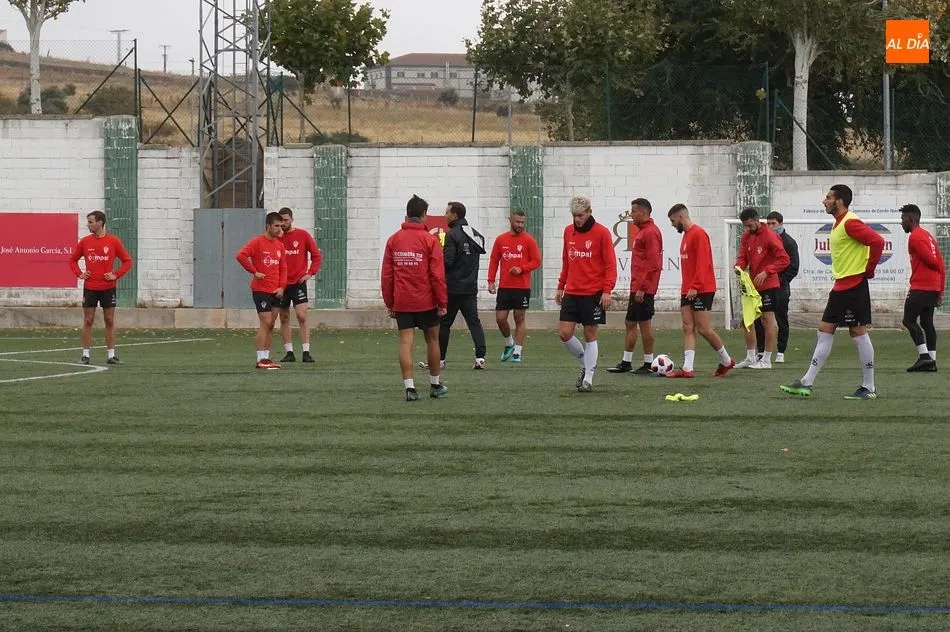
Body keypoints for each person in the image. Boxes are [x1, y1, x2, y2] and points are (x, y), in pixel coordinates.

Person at [781, 184, 885, 399]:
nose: (824, 201)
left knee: (858, 332)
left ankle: (869, 387)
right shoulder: (839, 223)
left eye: (828, 197)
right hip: (840, 287)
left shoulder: (850, 223)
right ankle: (806, 382)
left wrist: (869, 269)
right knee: (824, 330)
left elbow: (878, 241)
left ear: (839, 201)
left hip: (854, 286)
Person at [382, 194, 449, 401]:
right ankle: (435, 385)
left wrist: (390, 302)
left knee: (405, 343)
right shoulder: (430, 240)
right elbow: (437, 275)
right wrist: (442, 302)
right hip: (426, 300)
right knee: (433, 340)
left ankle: (410, 389)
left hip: (403, 300)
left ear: (407, 213)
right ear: (423, 215)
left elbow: (387, 275)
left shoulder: (393, 239)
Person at [555, 195, 617, 392]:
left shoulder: (602, 233)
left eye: (580, 215)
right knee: (564, 333)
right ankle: (585, 363)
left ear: (589, 212)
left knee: (590, 334)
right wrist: (561, 286)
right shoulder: (568, 231)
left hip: (593, 293)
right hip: (572, 291)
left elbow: (610, 264)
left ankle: (588, 378)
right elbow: (567, 260)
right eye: (574, 215)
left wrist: (607, 290)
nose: (577, 219)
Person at [667, 204, 735, 378]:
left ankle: (726, 360)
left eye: (673, 221)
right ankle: (687, 368)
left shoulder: (699, 234)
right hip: (687, 289)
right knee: (687, 326)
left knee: (703, 328)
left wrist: (695, 286)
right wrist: (688, 287)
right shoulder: (686, 236)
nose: (672, 225)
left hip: (701, 288)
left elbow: (703, 263)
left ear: (681, 217)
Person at [69, 211, 133, 365]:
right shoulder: (85, 242)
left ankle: (111, 355)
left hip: (108, 288)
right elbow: (72, 260)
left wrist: (115, 275)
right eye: (88, 222)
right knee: (88, 320)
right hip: (90, 288)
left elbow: (127, 261)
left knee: (109, 320)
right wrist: (80, 274)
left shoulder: (113, 241)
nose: (88, 225)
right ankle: (85, 356)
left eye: (90, 222)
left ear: (100, 223)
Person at [607, 198, 663, 375]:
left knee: (644, 324)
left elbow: (654, 263)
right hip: (636, 286)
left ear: (643, 212)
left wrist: (643, 288)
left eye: (633, 211)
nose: (631, 214)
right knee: (630, 322)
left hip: (643, 289)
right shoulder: (643, 231)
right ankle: (626, 362)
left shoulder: (650, 232)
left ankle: (649, 363)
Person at [734, 207, 790, 369]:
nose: (748, 228)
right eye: (746, 226)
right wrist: (739, 266)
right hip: (752, 286)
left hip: (768, 284)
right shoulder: (747, 236)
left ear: (757, 220)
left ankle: (766, 360)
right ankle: (750, 357)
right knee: (747, 320)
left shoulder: (770, 236)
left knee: (767, 321)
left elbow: (784, 259)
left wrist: (767, 271)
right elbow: (743, 256)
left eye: (750, 225)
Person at [438, 201, 488, 369]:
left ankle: (440, 360)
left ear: (455, 215)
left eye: (447, 213)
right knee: (474, 323)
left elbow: (448, 262)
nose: (445, 216)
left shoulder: (452, 235)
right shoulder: (476, 235)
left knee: (444, 324)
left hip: (453, 288)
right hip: (470, 288)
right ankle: (480, 358)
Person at [488, 210, 541, 363]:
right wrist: (491, 280)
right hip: (505, 286)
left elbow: (536, 261)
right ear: (510, 220)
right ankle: (509, 343)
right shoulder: (501, 239)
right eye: (517, 222)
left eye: (522, 222)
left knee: (519, 318)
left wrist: (521, 268)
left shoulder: (529, 240)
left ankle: (517, 352)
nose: (520, 225)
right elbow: (494, 260)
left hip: (522, 287)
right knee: (500, 319)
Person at [236, 212, 288, 370]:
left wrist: (281, 286)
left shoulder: (279, 245)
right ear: (268, 225)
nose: (279, 229)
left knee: (271, 324)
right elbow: (241, 256)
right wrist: (254, 271)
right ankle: (260, 358)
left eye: (281, 226)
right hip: (261, 289)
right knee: (265, 322)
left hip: (276, 290)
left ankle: (266, 358)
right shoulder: (257, 242)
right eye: (276, 226)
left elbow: (283, 268)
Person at [900, 203, 945, 372]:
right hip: (932, 286)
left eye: (903, 219)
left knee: (908, 320)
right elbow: (941, 264)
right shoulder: (928, 236)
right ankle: (931, 361)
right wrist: (940, 290)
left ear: (910, 219)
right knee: (926, 322)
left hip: (921, 286)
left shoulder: (916, 237)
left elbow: (933, 262)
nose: (902, 223)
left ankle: (924, 357)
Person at [276, 207, 323, 364]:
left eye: (286, 220)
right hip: (281, 284)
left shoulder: (302, 235)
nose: (283, 223)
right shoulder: (276, 238)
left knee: (302, 316)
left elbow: (316, 255)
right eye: (281, 220)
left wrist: (310, 273)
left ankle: (306, 352)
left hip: (298, 283)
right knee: (284, 317)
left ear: (292, 219)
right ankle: (289, 352)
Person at [754, 211, 799, 363]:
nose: (770, 226)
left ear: (780, 223)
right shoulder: (764, 239)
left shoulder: (789, 242)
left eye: (773, 223)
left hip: (780, 287)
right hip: (764, 285)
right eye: (768, 223)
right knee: (760, 318)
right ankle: (761, 351)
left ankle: (780, 351)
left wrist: (780, 280)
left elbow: (793, 266)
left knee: (781, 318)